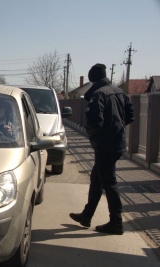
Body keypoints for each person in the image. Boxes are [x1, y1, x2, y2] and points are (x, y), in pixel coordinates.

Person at [69, 63, 134, 235]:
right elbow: (130, 116)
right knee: (97, 179)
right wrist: (116, 130)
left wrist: (96, 136)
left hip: (105, 146)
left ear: (92, 79)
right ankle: (86, 215)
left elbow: (94, 122)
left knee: (109, 182)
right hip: (117, 143)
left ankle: (116, 222)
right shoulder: (120, 92)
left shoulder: (98, 94)